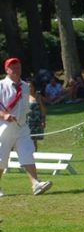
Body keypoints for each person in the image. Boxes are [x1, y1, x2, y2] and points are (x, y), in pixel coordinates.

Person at [0, 58, 52, 197]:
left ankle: (35, 183)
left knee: (27, 153)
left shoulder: (24, 86)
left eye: (18, 67)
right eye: (13, 67)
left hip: (22, 126)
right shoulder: (1, 85)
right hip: (3, 126)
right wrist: (4, 115)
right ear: (7, 70)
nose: (16, 69)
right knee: (1, 158)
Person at [26, 84, 46, 150]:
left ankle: (34, 155)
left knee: (35, 140)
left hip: (37, 121)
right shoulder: (24, 97)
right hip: (27, 121)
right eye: (28, 87)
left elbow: (43, 109)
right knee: (27, 140)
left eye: (31, 86)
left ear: (34, 87)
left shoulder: (38, 97)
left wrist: (43, 120)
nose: (30, 88)